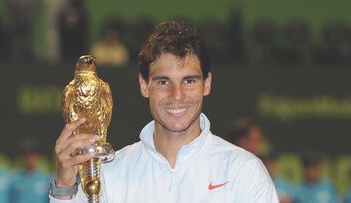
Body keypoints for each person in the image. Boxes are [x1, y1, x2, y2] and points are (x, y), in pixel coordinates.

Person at [50, 20, 278, 202]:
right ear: (143, 85)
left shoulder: (243, 171)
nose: (176, 95)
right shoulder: (110, 173)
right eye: (163, 82)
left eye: (189, 81)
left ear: (207, 84)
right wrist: (63, 188)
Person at [9, 138, 50, 203]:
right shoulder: (14, 178)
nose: (29, 157)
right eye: (26, 154)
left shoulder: (46, 179)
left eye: (33, 154)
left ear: (38, 156)